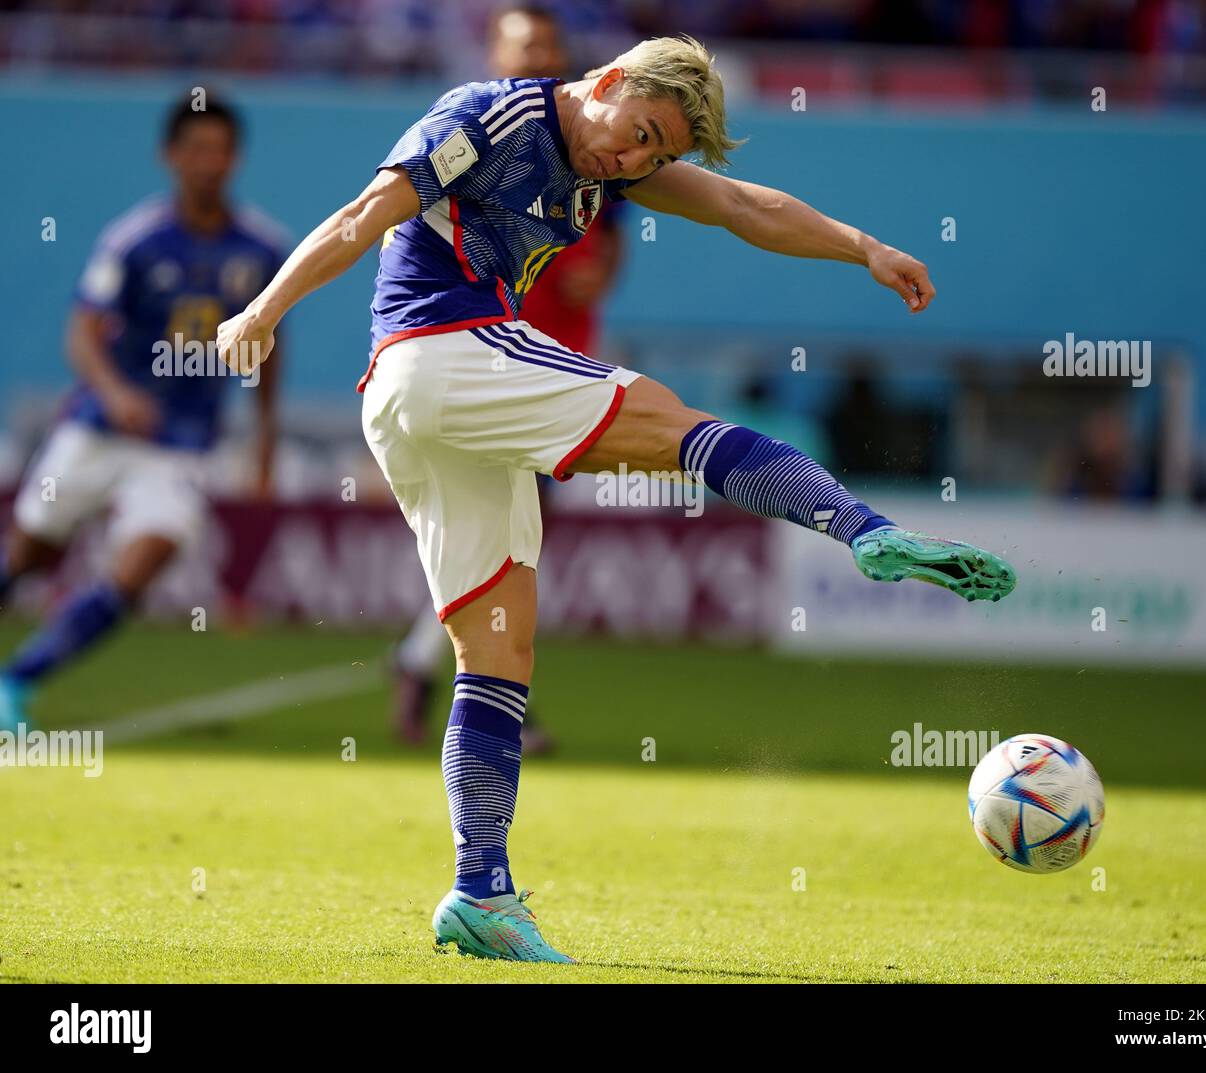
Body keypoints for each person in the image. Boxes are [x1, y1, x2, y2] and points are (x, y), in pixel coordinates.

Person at [216, 35, 1016, 963]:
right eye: (638, 135)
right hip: (442, 353)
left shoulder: (611, 164)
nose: (634, 161)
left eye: (656, 155)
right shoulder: (490, 116)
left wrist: (863, 248)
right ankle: (863, 528)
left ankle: (481, 892)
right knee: (672, 425)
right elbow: (365, 213)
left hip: (419, 407)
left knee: (498, 644)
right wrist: (262, 312)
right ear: (605, 83)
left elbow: (743, 205)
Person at [0, 96, 287, 730]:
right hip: (98, 429)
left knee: (138, 569)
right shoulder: (133, 240)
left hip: (182, 445)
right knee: (27, 558)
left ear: (236, 158)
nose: (209, 162)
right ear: (171, 156)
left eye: (220, 150)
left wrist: (264, 436)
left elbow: (268, 345)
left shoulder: (262, 248)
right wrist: (113, 391)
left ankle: (16, 682)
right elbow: (83, 331)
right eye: (197, 149)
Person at [389, 2, 627, 753]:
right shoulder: (477, 134)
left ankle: (445, 681)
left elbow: (616, 233)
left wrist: (603, 275)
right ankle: (467, 693)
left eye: (550, 45)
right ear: (494, 54)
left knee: (512, 546)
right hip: (475, 365)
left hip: (555, 364)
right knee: (501, 547)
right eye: (525, 46)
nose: (538, 57)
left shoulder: (594, 146)